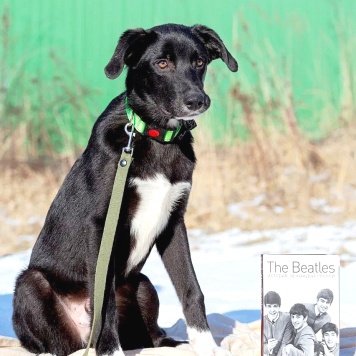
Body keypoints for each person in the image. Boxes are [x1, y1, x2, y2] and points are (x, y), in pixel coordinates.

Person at [263, 291, 294, 356]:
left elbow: (285, 343)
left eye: (275, 306)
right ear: (265, 307)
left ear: (279, 306)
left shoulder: (287, 318)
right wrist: (268, 347)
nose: (272, 310)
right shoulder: (262, 322)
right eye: (269, 306)